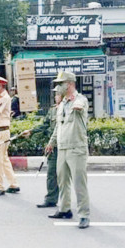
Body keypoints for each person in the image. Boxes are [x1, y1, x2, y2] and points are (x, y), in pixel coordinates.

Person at [45, 71, 90, 229]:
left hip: (76, 148)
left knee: (79, 183)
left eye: (61, 83)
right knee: (62, 181)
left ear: (70, 84)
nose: (58, 86)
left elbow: (81, 106)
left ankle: (84, 215)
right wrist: (52, 142)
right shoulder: (62, 104)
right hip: (63, 148)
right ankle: (64, 209)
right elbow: (59, 125)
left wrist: (77, 105)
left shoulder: (80, 100)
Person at [20, 86, 62, 208]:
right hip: (54, 147)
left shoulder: (68, 109)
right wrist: (31, 131)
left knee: (69, 175)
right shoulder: (53, 110)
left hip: (67, 147)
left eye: (58, 94)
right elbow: (45, 125)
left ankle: (76, 200)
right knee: (51, 173)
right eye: (55, 94)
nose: (56, 97)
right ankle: (51, 199)